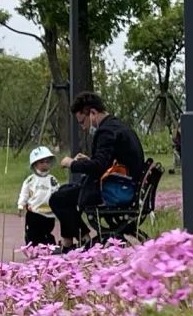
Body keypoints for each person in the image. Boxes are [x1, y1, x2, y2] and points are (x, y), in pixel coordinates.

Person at [48, 92, 145, 254]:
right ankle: (79, 238)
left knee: (58, 199)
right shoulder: (117, 126)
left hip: (115, 191)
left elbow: (99, 166)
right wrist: (87, 160)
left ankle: (74, 241)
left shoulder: (105, 132)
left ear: (92, 113)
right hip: (124, 185)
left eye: (82, 121)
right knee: (64, 192)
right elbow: (108, 162)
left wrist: (73, 164)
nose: (83, 127)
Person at [17, 146, 60, 246]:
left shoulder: (52, 180)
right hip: (34, 213)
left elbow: (57, 193)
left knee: (46, 232)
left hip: (48, 214)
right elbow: (24, 193)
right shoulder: (30, 180)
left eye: (47, 162)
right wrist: (21, 205)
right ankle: (32, 247)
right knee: (32, 233)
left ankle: (49, 246)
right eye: (41, 162)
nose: (45, 164)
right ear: (35, 164)